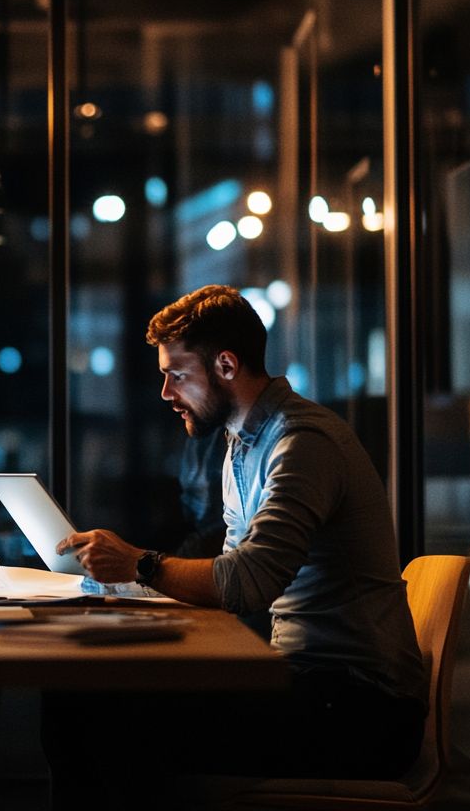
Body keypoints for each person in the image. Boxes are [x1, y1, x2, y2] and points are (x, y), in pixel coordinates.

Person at [44, 285, 427, 804]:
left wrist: (139, 565)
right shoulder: (242, 445)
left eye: (176, 374)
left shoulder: (301, 443)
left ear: (225, 365)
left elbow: (249, 582)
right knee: (79, 698)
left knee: (100, 712)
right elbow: (229, 576)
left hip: (360, 707)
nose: (165, 392)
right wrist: (112, 585)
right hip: (308, 682)